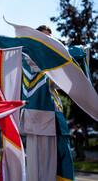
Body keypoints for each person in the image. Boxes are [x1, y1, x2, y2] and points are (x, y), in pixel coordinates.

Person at [19, 25, 74, 181]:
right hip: (37, 119)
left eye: (50, 39)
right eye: (43, 38)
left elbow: (64, 82)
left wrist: (76, 61)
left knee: (53, 168)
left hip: (54, 118)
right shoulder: (28, 57)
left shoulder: (50, 61)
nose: (47, 42)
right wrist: (65, 59)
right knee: (38, 171)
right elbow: (42, 73)